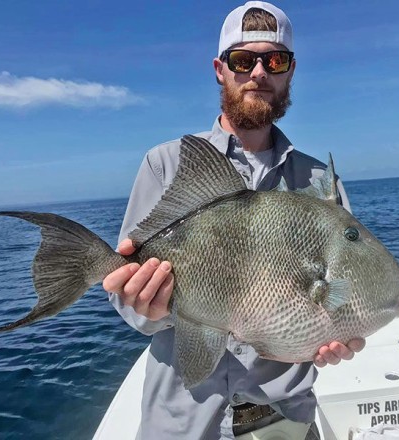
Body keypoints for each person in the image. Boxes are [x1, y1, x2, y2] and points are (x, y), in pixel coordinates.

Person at [103, 2, 365, 439]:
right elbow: (129, 307)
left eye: (274, 60)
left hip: (285, 421)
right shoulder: (168, 164)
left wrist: (338, 331)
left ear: (291, 71)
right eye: (243, 60)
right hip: (183, 424)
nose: (259, 73)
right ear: (220, 70)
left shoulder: (321, 181)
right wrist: (147, 306)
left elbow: (338, 289)